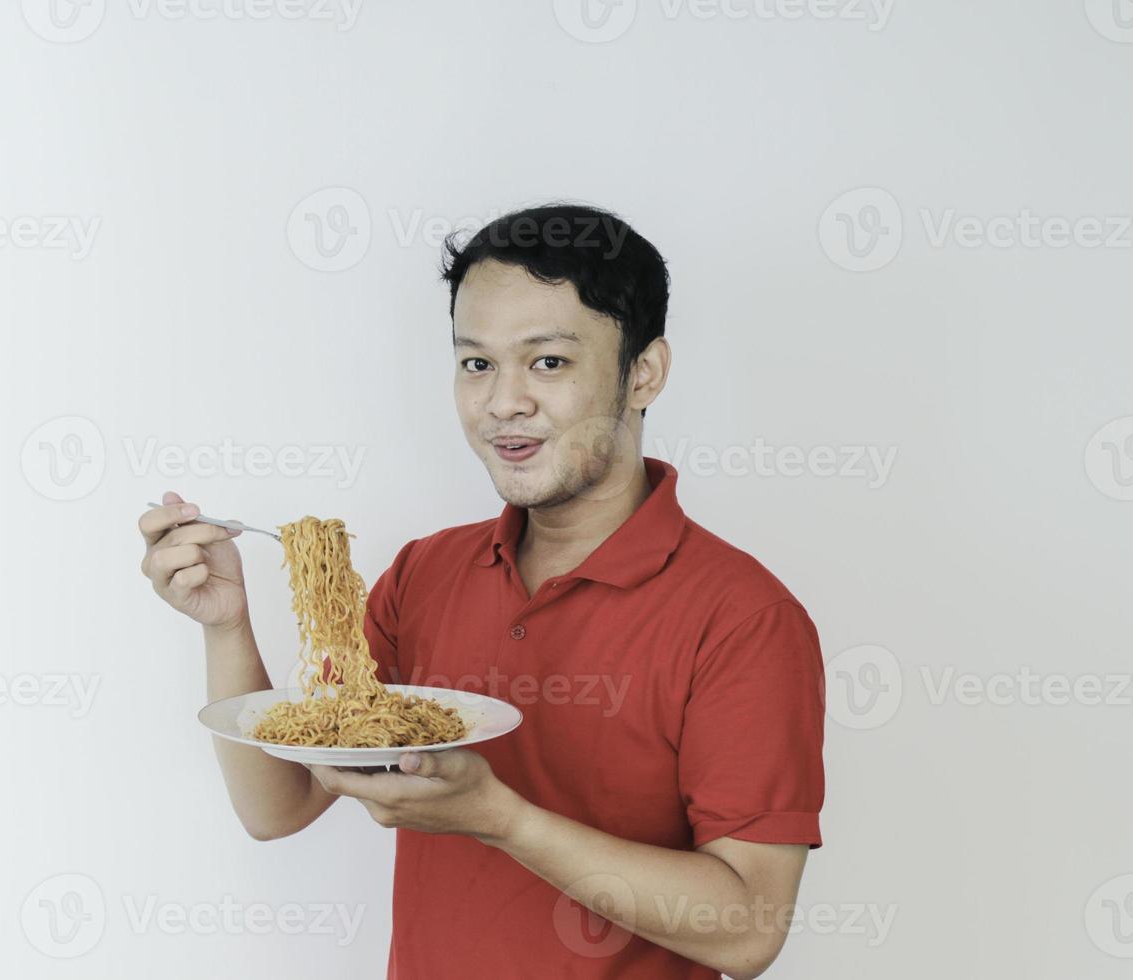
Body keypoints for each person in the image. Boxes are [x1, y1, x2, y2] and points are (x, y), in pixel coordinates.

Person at [139, 204, 826, 979]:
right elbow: (280, 804)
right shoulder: (425, 574)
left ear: (645, 372)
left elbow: (748, 929)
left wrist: (500, 819)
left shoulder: (744, 618)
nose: (503, 403)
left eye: (549, 363)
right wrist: (227, 627)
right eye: (476, 364)